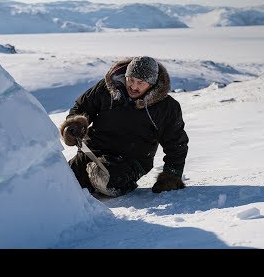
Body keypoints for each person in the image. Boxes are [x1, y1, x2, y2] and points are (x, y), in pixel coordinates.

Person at [59, 56, 189, 197]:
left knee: (106, 179)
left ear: (152, 83)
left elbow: (176, 143)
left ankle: (115, 184)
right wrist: (75, 125)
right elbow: (82, 107)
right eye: (130, 80)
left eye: (140, 83)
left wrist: (172, 175)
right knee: (61, 181)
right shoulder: (107, 88)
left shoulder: (167, 107)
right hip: (92, 150)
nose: (133, 87)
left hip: (132, 160)